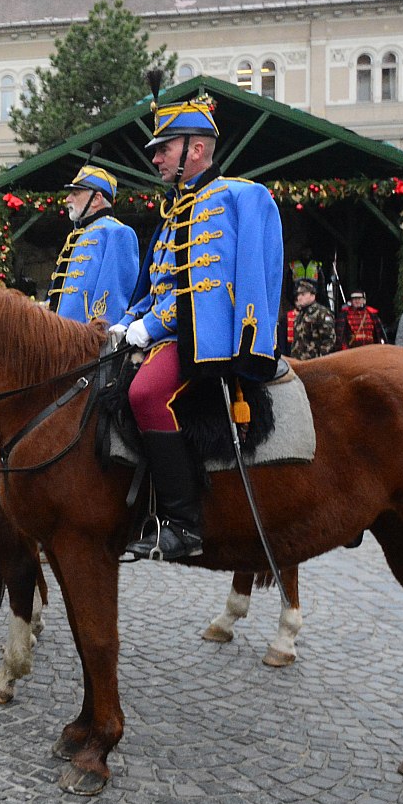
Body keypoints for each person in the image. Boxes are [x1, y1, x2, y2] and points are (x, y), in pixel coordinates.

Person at [109, 92, 282, 562]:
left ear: (196, 149)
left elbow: (206, 291)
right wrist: (126, 322)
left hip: (201, 337)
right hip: (163, 330)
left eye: (163, 149)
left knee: (146, 394)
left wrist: (151, 326)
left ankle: (184, 523)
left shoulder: (228, 198)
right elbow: (154, 286)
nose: (155, 159)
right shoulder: (174, 210)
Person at [46, 165, 139, 326]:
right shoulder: (77, 235)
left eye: (75, 193)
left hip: (86, 337)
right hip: (61, 333)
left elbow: (113, 296)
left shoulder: (117, 232)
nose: (68, 199)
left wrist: (98, 334)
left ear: (96, 199)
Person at [285, 279, 336, 360]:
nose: (299, 298)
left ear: (312, 295)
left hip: (314, 361)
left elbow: (329, 340)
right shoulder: (301, 314)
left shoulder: (321, 313)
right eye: (298, 295)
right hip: (298, 360)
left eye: (303, 294)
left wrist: (319, 358)